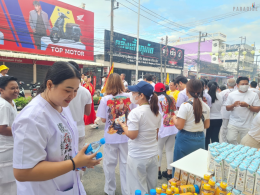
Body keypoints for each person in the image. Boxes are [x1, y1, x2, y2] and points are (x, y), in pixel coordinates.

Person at [12, 61, 101, 194]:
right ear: (49, 84)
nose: (72, 96)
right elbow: (22, 172)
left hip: (68, 185)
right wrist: (73, 163)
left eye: (76, 91)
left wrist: (78, 159)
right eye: (67, 90)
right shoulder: (32, 118)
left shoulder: (62, 106)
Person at [117, 81, 161, 195]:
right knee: (152, 186)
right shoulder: (157, 112)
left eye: (134, 92)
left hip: (138, 156)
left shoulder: (136, 112)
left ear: (141, 95)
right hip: (152, 155)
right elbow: (156, 134)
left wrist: (123, 125)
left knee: (137, 188)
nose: (132, 95)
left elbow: (132, 135)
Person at [96, 73, 135, 195]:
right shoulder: (129, 96)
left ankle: (110, 190)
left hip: (111, 135)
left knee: (109, 165)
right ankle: (126, 191)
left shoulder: (105, 99)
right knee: (125, 164)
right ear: (121, 82)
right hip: (126, 135)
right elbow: (133, 114)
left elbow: (102, 119)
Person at [172, 79, 210, 176]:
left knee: (180, 168)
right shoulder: (206, 106)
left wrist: (174, 118)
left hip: (185, 138)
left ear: (187, 91)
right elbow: (207, 125)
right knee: (195, 168)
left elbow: (179, 126)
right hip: (200, 139)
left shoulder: (185, 106)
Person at [225, 77, 260, 144]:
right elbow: (227, 108)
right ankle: (235, 151)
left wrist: (247, 106)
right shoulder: (232, 95)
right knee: (230, 139)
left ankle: (241, 152)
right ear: (237, 85)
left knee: (245, 143)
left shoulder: (254, 95)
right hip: (233, 123)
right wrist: (233, 105)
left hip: (247, 124)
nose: (245, 85)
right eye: (242, 84)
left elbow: (258, 109)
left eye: (246, 84)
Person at [154, 83, 178, 180]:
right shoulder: (171, 98)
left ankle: (158, 171)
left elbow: (156, 113)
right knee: (169, 149)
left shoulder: (156, 99)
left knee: (159, 148)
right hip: (172, 126)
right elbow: (174, 111)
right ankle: (169, 172)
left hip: (162, 126)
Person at [0, 76, 19, 195]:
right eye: (12, 88)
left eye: (17, 87)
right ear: (1, 90)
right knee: (8, 186)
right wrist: (23, 132)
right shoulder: (3, 105)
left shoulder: (10, 102)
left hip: (11, 146)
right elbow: (2, 129)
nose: (16, 90)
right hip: (6, 149)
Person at [68, 61, 92, 151]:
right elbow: (88, 112)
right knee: (79, 158)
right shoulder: (85, 91)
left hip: (64, 130)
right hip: (79, 130)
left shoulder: (61, 90)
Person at [205, 81, 223, 150]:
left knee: (207, 137)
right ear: (217, 88)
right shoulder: (220, 96)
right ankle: (215, 153)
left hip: (208, 119)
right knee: (215, 137)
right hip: (218, 119)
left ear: (208, 87)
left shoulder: (205, 96)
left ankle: (206, 152)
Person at [219, 78, 236, 143]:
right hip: (234, 111)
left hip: (224, 111)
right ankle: (231, 142)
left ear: (227, 84)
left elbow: (220, 102)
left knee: (224, 127)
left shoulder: (223, 92)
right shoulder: (237, 92)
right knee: (232, 128)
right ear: (235, 84)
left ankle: (223, 142)